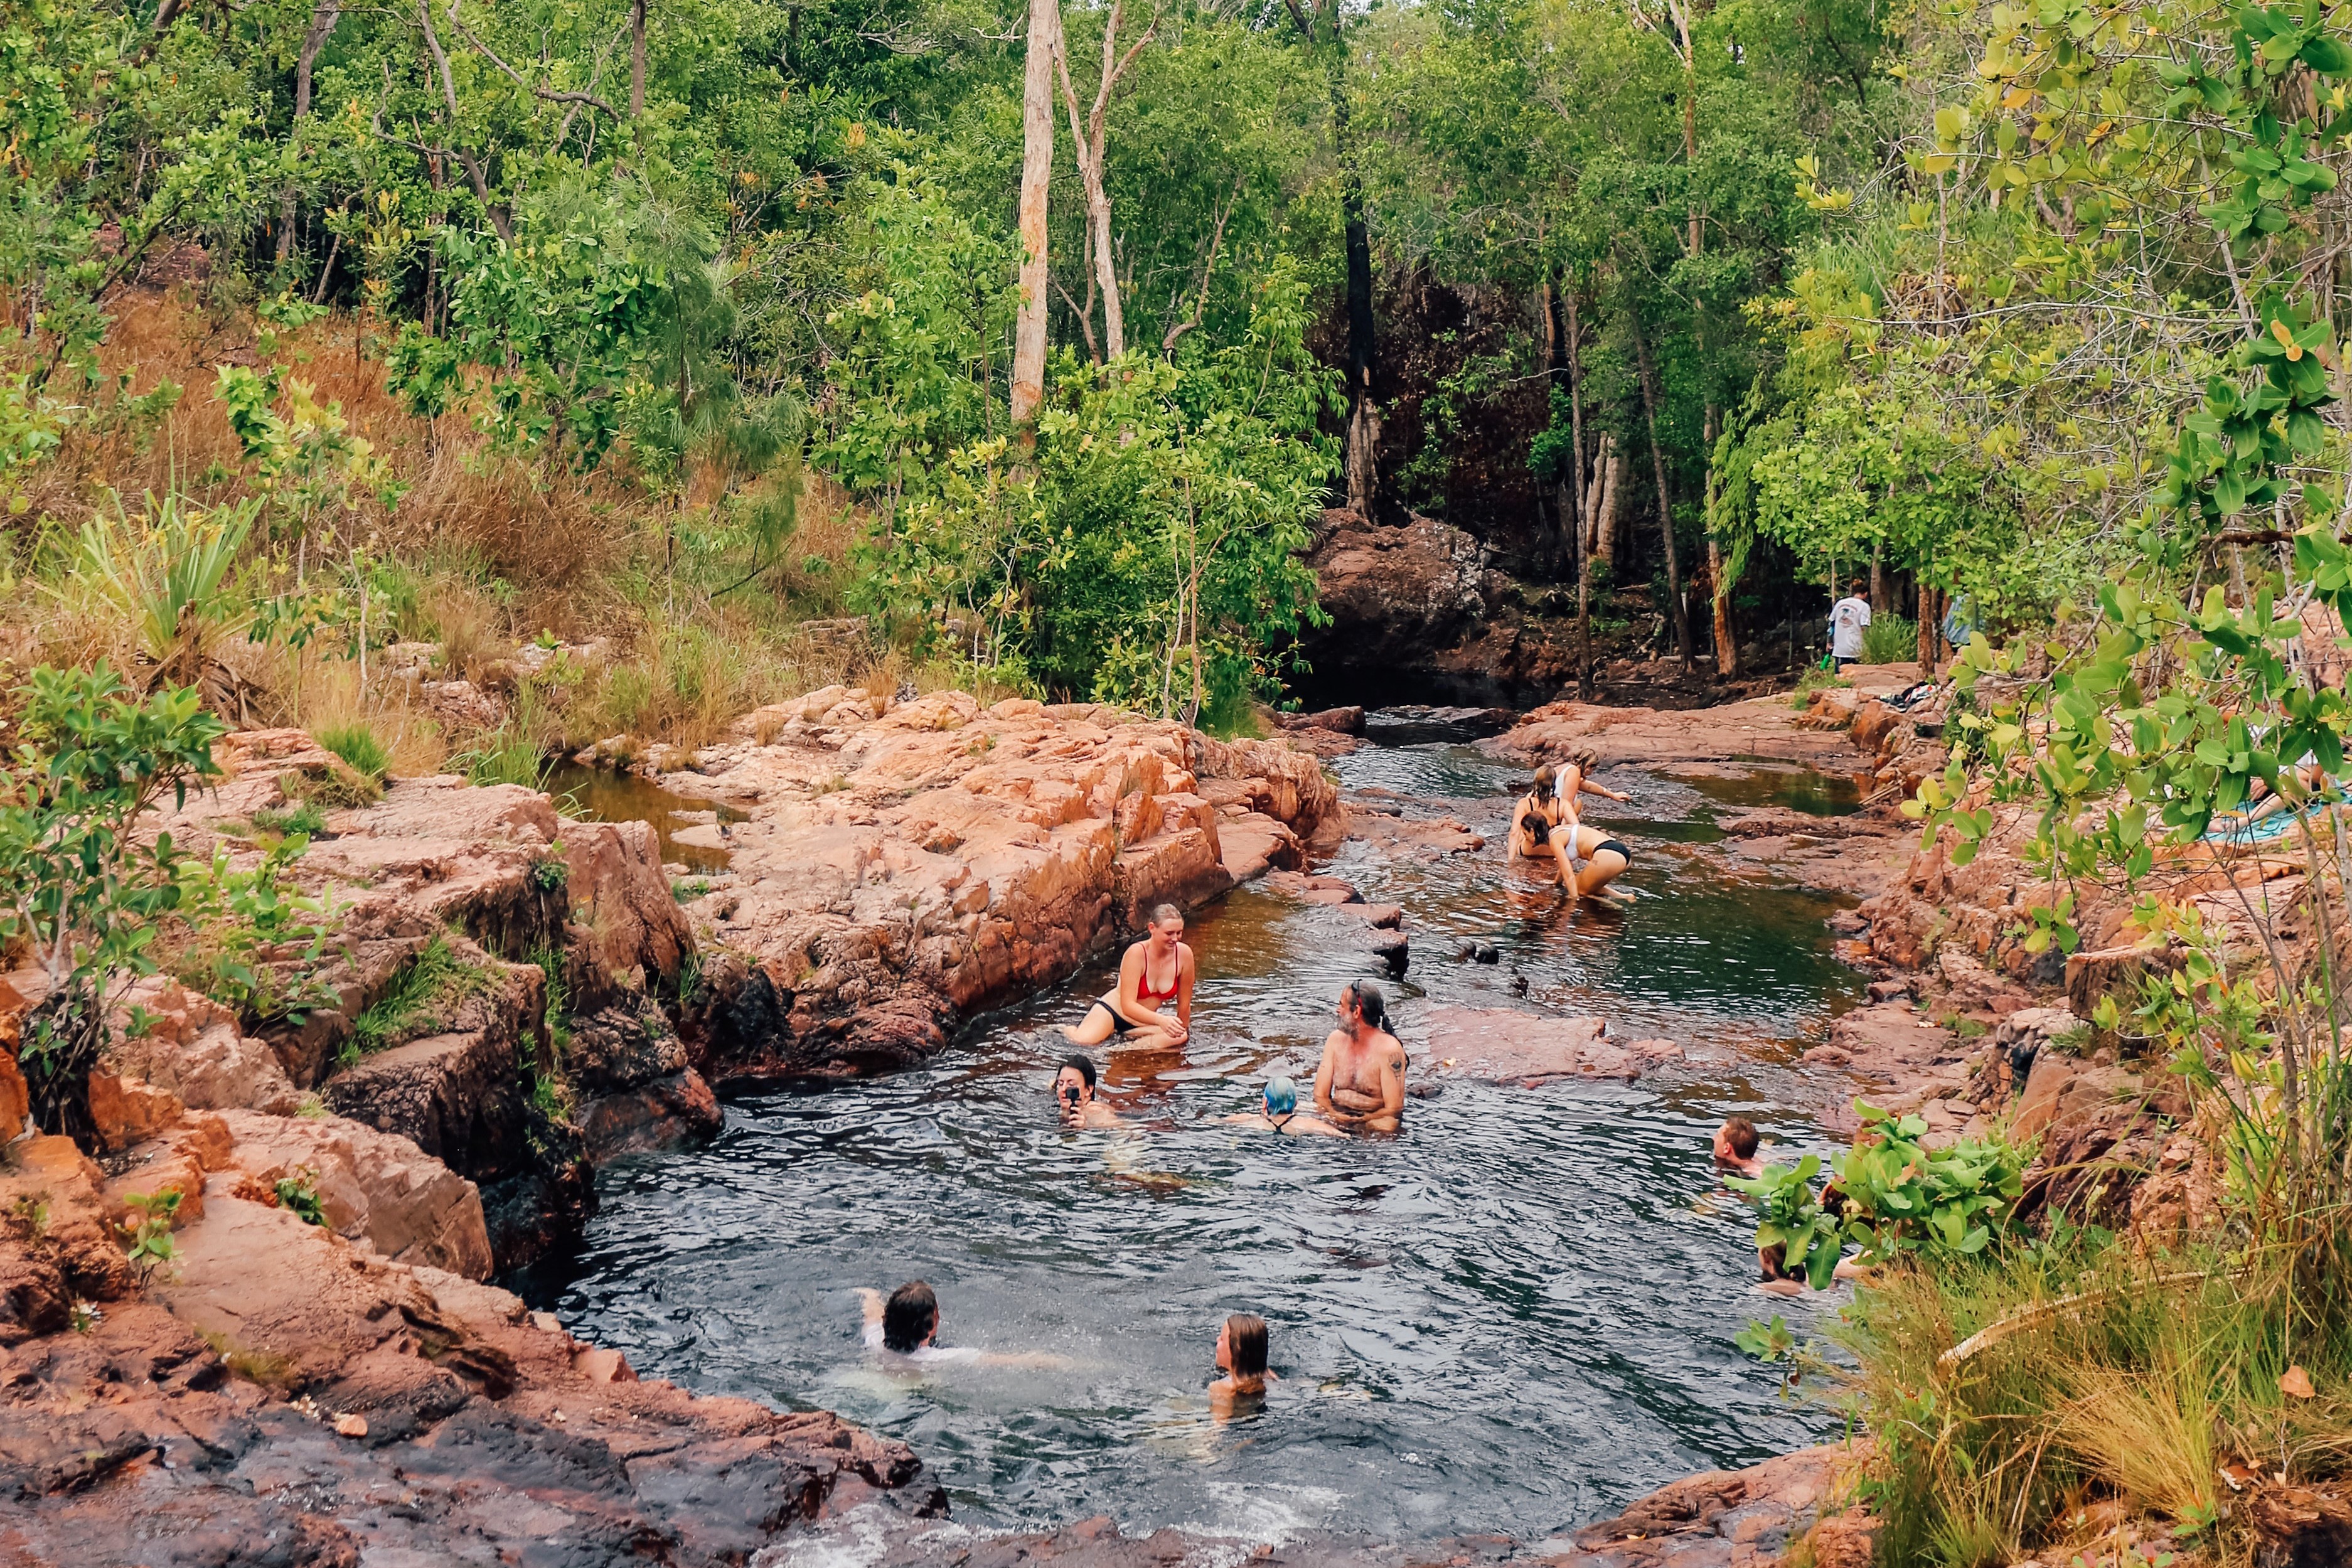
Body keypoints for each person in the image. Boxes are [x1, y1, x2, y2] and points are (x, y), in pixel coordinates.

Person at [1062, 904, 1195, 1048]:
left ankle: (1120, 1049)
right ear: (1152, 928)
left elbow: (1184, 1005)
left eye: (1179, 933)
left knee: (1180, 1036)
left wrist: (1184, 1036)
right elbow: (1128, 1006)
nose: (1175, 939)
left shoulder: (1184, 955)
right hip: (1112, 1013)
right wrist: (1161, 1020)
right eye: (1169, 933)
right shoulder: (1136, 953)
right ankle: (1063, 1029)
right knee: (1082, 1043)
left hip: (1143, 1024)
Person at [856, 1283, 1067, 1367]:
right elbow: (1021, 1361)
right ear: (934, 1322)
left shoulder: (874, 1338)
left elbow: (872, 1309)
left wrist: (868, 1293)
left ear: (887, 1321)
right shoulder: (938, 1358)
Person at [1313, 981, 1406, 1134]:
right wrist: (1333, 1114)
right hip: (1336, 1112)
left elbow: (1394, 1108)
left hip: (1374, 1118)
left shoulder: (1390, 1050)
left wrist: (1361, 1121)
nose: (1338, 1011)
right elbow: (1320, 1094)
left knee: (1387, 1126)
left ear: (1356, 1011)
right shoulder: (1335, 1040)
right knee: (1295, 1111)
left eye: (1342, 1005)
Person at [1223, 1074, 1344, 1136]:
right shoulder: (1308, 1123)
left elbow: (1214, 1122)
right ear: (1296, 1103)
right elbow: (1342, 1136)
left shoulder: (1248, 1119)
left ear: (1265, 1103)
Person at [1209, 1311, 1275, 1414]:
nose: (1217, 1340)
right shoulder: (1268, 1376)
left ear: (1235, 1351)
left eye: (1222, 1338)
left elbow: (1219, 1425)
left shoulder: (1221, 1387)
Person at [1053, 1053, 1121, 1128]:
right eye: (1061, 1084)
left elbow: (1122, 1132)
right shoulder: (1064, 1108)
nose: (1063, 1089)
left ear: (1088, 1090)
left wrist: (1086, 1127)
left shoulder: (1095, 1112)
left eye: (1071, 1084)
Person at [1829, 582, 1872, 669]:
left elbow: (1832, 623)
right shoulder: (1864, 606)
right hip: (1856, 648)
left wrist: (1829, 642)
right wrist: (1868, 645)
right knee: (1855, 676)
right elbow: (1865, 627)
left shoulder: (1840, 603)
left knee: (1839, 675)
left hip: (1839, 648)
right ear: (1866, 594)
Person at [1713, 1116, 1765, 1180]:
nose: (1714, 1138)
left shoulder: (1755, 1173)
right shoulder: (1759, 1159)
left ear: (1727, 1148)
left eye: (1718, 1136)